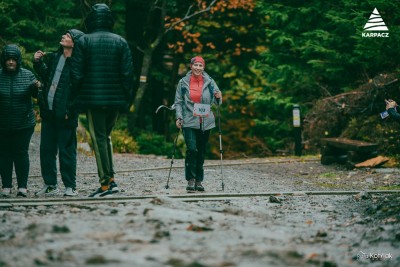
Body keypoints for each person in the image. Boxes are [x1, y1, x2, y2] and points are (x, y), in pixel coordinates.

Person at [70, 3, 134, 197]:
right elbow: (127, 74)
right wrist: (125, 99)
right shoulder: (121, 41)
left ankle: (106, 184)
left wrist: (76, 98)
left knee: (98, 139)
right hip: (115, 100)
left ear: (91, 19)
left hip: (93, 99)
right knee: (105, 137)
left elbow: (77, 74)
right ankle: (111, 179)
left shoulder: (84, 41)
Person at [33, 29, 84, 197]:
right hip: (49, 112)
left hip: (66, 115)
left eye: (68, 36)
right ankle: (50, 184)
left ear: (74, 42)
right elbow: (48, 77)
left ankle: (70, 186)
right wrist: (38, 63)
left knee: (66, 152)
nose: (63, 36)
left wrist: (71, 110)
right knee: (46, 150)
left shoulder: (78, 63)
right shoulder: (56, 57)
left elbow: (79, 91)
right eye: (64, 34)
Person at [174, 56, 222, 192]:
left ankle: (199, 181)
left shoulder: (210, 82)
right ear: (191, 66)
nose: (198, 68)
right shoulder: (183, 82)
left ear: (203, 67)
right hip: (189, 120)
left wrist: (218, 97)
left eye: (201, 65)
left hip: (205, 122)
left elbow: (217, 100)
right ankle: (191, 179)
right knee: (192, 149)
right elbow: (178, 101)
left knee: (201, 151)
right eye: (196, 65)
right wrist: (179, 117)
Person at [0, 44, 41, 197]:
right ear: (3, 60)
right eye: (8, 59)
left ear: (18, 60)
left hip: (24, 124)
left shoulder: (28, 75)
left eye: (13, 59)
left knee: (20, 153)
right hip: (2, 124)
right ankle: (6, 186)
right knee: (4, 154)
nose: (11, 62)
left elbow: (37, 96)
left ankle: (22, 187)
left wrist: (37, 88)